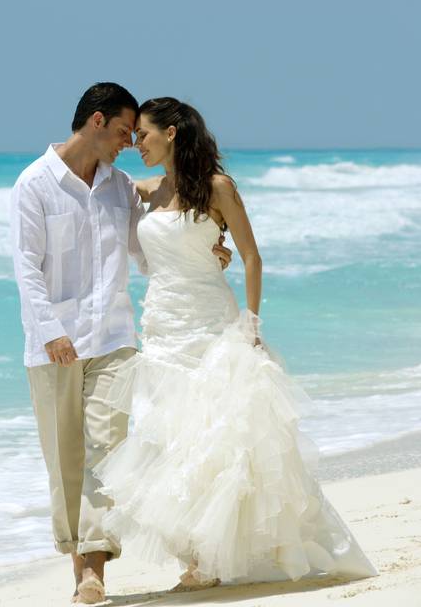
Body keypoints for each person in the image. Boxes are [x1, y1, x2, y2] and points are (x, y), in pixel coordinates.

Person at [93, 97, 378, 591]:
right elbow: (92, 172)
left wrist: (251, 321)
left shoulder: (217, 189)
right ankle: (199, 554)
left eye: (143, 134)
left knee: (220, 433)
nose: (136, 143)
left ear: (174, 133)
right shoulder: (146, 190)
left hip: (210, 323)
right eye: (132, 135)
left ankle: (208, 562)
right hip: (162, 328)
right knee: (171, 436)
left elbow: (250, 256)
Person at [9, 83, 232, 604]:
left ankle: (97, 576)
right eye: (124, 132)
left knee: (109, 453)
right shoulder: (34, 184)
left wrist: (204, 254)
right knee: (66, 462)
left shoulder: (120, 187)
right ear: (96, 122)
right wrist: (50, 331)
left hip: (112, 338)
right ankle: (81, 571)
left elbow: (149, 249)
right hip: (53, 345)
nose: (129, 143)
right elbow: (25, 266)